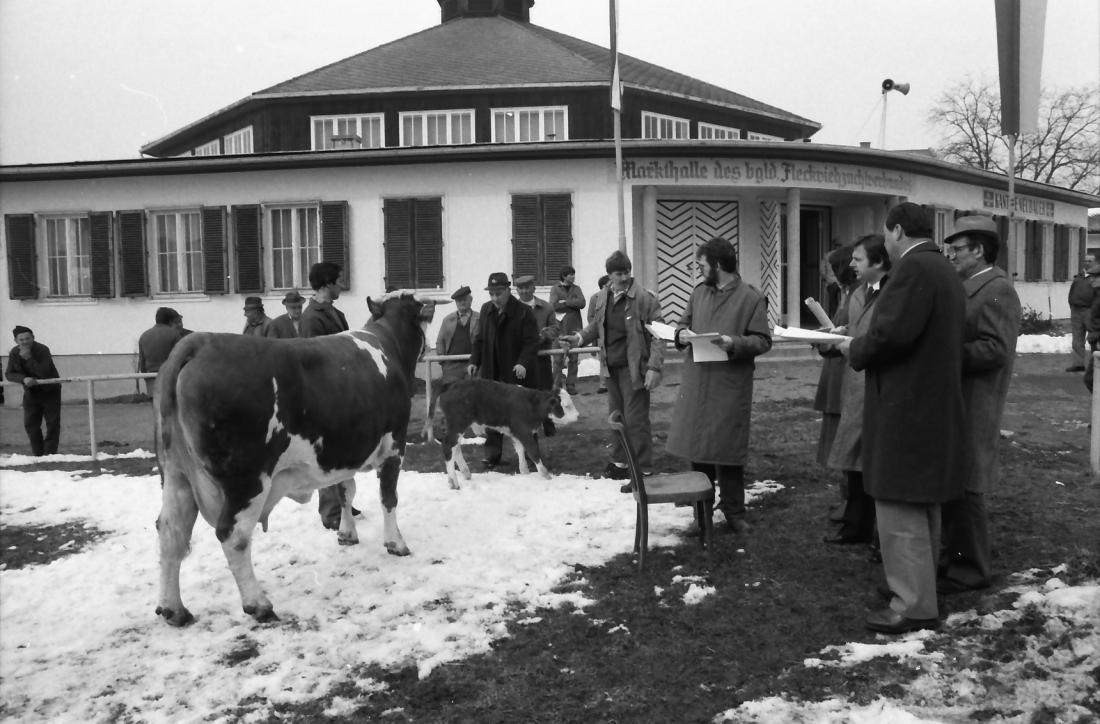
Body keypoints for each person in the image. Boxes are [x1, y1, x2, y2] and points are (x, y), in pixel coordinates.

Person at [838, 202, 967, 634]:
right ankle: (918, 589)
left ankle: (912, 603)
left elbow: (890, 335)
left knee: (899, 505)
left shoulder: (914, 269)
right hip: (930, 405)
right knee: (923, 504)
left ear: (895, 232)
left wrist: (853, 348)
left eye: (886, 235)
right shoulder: (944, 269)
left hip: (906, 408)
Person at [938, 216, 1021, 594]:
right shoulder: (969, 286)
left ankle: (972, 568)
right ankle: (954, 557)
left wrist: (942, 354)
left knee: (968, 485)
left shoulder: (997, 289)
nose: (951, 255)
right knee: (953, 481)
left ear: (979, 251)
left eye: (957, 249)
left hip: (977, 400)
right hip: (957, 398)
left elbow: (996, 349)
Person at [667, 237, 771, 534]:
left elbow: (763, 340)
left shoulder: (751, 297)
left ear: (717, 265)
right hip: (698, 382)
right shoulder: (699, 293)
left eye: (701, 264)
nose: (698, 270)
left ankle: (734, 511)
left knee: (727, 448)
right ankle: (701, 514)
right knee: (699, 450)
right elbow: (682, 325)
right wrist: (682, 334)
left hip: (729, 384)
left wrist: (733, 342)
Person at [564, 250, 664, 482]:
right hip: (610, 368)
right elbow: (595, 327)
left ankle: (643, 469)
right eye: (619, 273)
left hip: (634, 369)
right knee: (616, 418)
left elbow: (659, 336)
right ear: (609, 275)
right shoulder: (601, 298)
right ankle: (620, 463)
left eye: (627, 272)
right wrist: (578, 339)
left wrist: (654, 367)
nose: (625, 277)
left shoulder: (644, 299)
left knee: (636, 420)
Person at [826, 235, 891, 545]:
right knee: (854, 460)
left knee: (876, 462)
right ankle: (856, 526)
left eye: (858, 259)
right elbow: (854, 331)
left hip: (879, 387)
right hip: (856, 385)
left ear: (878, 262)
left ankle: (881, 534)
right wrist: (835, 336)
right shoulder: (858, 293)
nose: (850, 264)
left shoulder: (894, 294)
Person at [467, 272, 539, 468]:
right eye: (491, 294)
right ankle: (492, 455)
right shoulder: (486, 310)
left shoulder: (524, 312)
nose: (495, 298)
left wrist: (523, 362)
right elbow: (479, 339)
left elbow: (532, 341)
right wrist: (475, 360)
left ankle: (531, 456)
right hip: (492, 372)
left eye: (499, 294)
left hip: (515, 373)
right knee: (491, 414)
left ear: (508, 291)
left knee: (521, 415)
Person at [299, 262, 352, 530]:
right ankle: (331, 512)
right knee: (328, 456)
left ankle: (344, 503)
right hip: (324, 397)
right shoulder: (311, 317)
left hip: (340, 392)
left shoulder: (335, 312)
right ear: (327, 283)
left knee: (344, 452)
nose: (342, 285)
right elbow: (313, 360)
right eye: (339, 280)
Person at [812, 243, 855, 521]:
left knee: (847, 439)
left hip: (845, 372)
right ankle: (847, 498)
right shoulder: (844, 294)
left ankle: (851, 501)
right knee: (840, 439)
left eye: (831, 268)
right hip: (836, 369)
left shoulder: (856, 296)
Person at [5, 326, 62, 456]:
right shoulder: (14, 352)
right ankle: (38, 454)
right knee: (30, 424)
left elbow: (43, 372)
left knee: (52, 424)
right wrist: (23, 378)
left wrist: (29, 358)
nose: (25, 342)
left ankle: (49, 453)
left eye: (28, 339)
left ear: (33, 338)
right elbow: (9, 374)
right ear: (16, 341)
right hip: (31, 393)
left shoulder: (42, 349)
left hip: (50, 391)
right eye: (21, 339)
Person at [515, 275, 559, 435]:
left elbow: (555, 329)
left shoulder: (546, 308)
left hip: (541, 358)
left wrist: (544, 336)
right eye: (521, 288)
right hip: (521, 360)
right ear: (517, 290)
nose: (524, 291)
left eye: (527, 287)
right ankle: (527, 425)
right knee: (523, 394)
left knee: (545, 392)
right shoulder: (512, 309)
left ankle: (548, 424)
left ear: (534, 288)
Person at [549, 265, 586, 395]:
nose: (573, 276)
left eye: (574, 274)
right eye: (571, 274)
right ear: (564, 276)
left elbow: (582, 303)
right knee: (558, 359)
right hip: (559, 328)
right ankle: (557, 386)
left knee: (574, 358)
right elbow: (554, 305)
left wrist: (565, 302)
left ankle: (571, 385)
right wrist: (572, 303)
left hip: (574, 327)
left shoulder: (577, 289)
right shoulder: (555, 289)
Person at [435, 286, 480, 385]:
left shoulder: (480, 318)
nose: (462, 303)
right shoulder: (447, 320)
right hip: (452, 366)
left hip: (472, 364)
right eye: (459, 300)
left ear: (471, 300)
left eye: (465, 299)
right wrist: (442, 360)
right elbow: (440, 341)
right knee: (452, 394)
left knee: (472, 393)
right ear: (456, 303)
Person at [138, 307, 185, 394]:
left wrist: (147, 379)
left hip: (152, 381)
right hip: (171, 380)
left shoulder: (144, 335)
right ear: (171, 320)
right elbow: (181, 358)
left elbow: (141, 363)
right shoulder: (175, 334)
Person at [1067, 253, 1096, 372]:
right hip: (1076, 311)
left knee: (1094, 338)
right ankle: (1078, 364)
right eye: (1086, 261)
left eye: (1090, 261)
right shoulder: (1079, 276)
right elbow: (1072, 292)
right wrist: (1072, 305)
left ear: (1096, 262)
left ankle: (1096, 364)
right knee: (1077, 339)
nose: (1087, 263)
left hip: (1091, 311)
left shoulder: (1097, 277)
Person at [590, 275, 611, 394]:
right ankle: (603, 383)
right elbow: (591, 316)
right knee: (603, 359)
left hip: (613, 333)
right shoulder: (595, 298)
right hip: (601, 334)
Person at [820, 238, 842, 316]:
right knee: (844, 302)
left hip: (831, 282)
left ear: (833, 245)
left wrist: (825, 278)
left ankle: (834, 321)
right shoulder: (844, 255)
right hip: (842, 281)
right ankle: (842, 321)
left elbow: (822, 268)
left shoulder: (827, 255)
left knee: (833, 302)